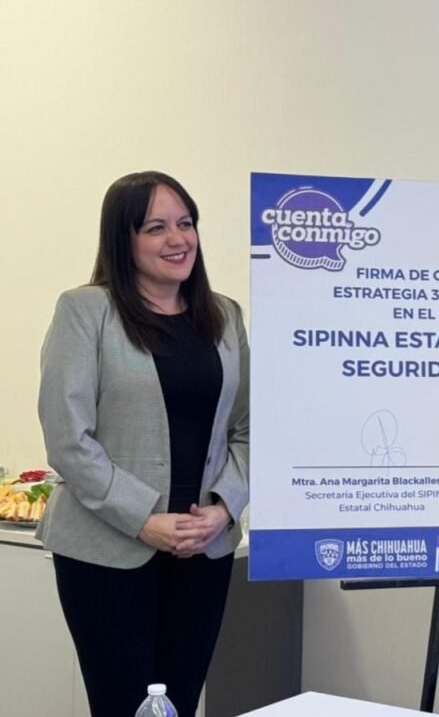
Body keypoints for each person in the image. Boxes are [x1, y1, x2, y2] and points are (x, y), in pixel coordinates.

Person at [37, 171, 249, 717]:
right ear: (122, 239)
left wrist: (224, 509)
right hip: (108, 550)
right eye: (156, 227)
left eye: (186, 223)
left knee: (181, 701)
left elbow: (248, 429)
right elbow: (69, 439)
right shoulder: (86, 311)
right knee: (123, 706)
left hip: (205, 549)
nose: (178, 239)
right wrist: (144, 518)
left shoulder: (225, 316)